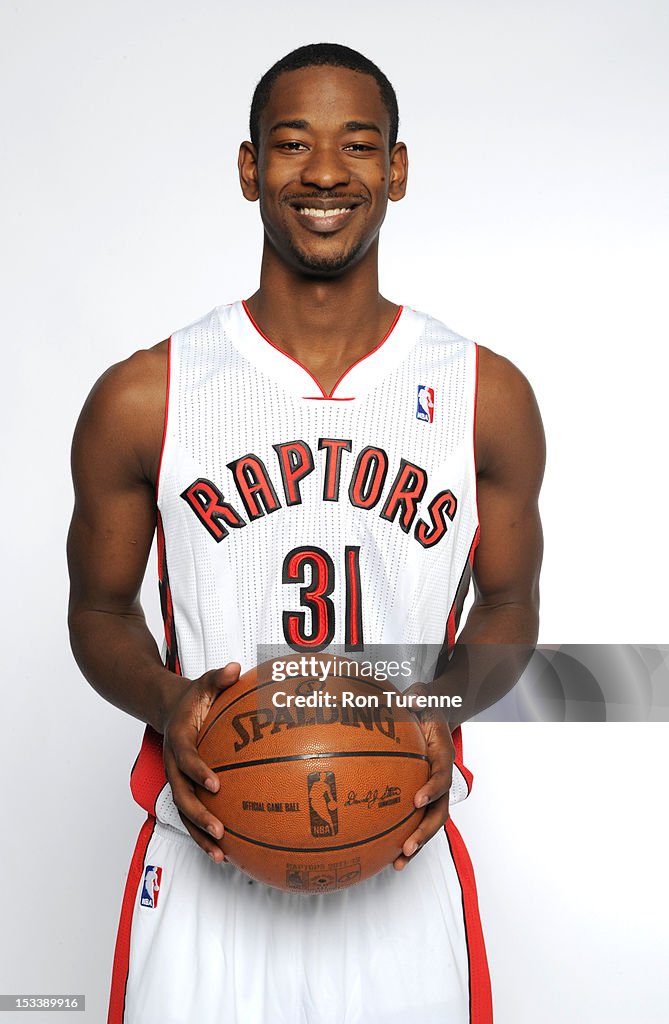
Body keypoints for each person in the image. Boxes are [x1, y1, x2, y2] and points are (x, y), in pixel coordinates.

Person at [67, 42, 544, 1024]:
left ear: (396, 170)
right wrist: (165, 697)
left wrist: (439, 707)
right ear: (249, 167)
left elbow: (509, 603)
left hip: (397, 864)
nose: (325, 172)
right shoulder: (144, 396)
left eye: (358, 145)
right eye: (291, 144)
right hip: (206, 864)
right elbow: (99, 609)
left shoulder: (481, 395)